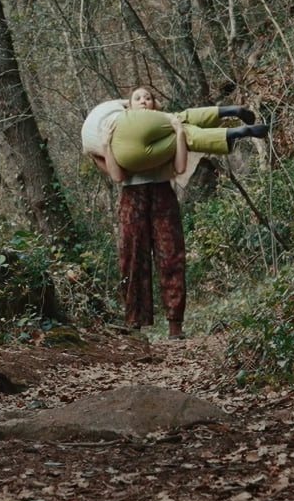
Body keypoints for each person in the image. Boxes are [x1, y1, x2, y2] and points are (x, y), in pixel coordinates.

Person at [81, 87, 267, 338]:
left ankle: (175, 325)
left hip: (162, 194)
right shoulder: (116, 134)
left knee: (171, 255)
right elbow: (117, 176)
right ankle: (134, 324)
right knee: (132, 258)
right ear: (129, 107)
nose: (144, 101)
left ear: (155, 105)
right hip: (132, 199)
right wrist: (105, 144)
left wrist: (179, 133)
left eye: (148, 98)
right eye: (138, 98)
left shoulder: (165, 129)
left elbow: (179, 167)